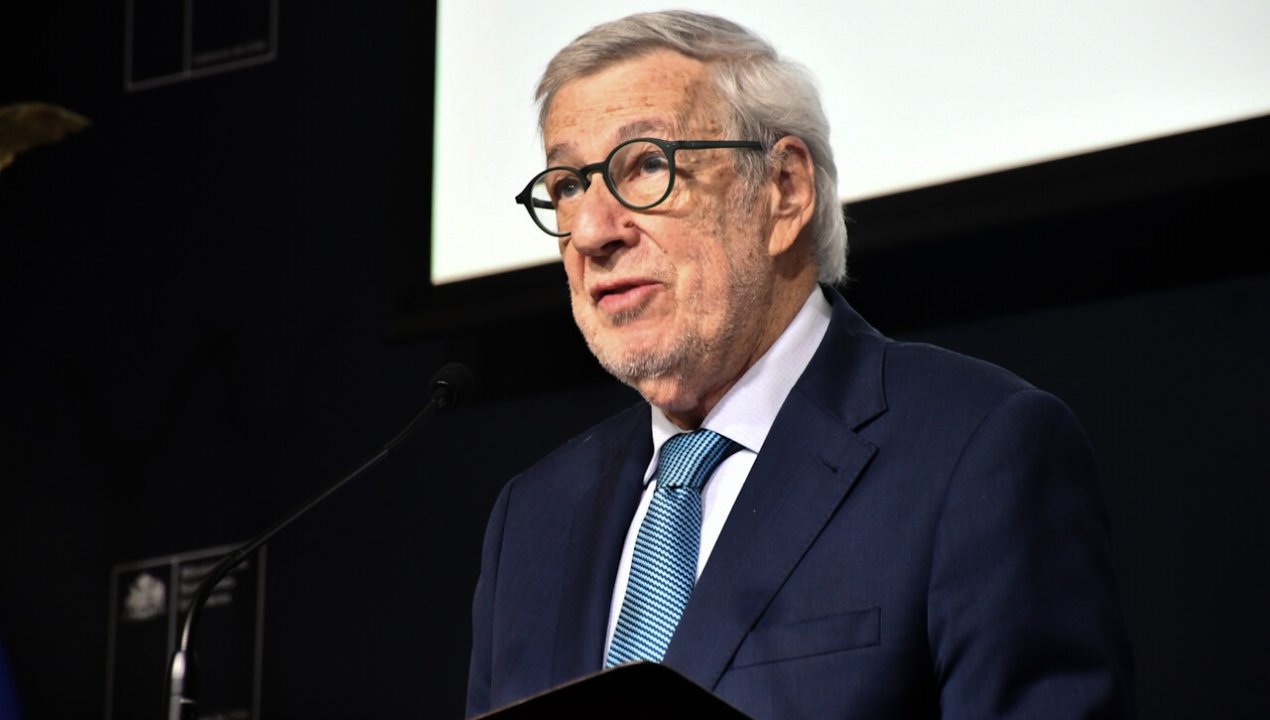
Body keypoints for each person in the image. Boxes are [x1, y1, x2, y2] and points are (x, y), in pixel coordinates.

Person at [467, 10, 1134, 719]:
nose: (592, 232)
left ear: (784, 190)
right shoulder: (533, 520)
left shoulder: (974, 452)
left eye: (649, 166)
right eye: (568, 186)